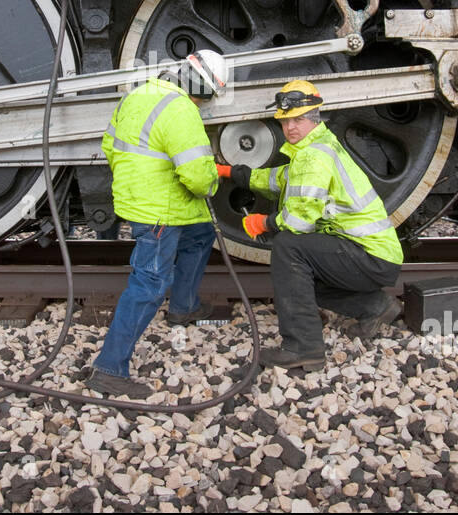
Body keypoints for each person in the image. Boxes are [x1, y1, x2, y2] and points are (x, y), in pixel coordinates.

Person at [219, 79, 403, 370]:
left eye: (298, 119)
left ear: (314, 117)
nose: (290, 127)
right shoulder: (314, 148)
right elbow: (273, 179)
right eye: (285, 121)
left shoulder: (313, 156)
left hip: (368, 255)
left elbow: (299, 221)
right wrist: (229, 171)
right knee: (300, 277)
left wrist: (263, 222)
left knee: (289, 248)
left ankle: (303, 348)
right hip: (371, 256)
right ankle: (376, 308)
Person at [87, 49, 229, 399]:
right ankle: (108, 368)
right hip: (160, 210)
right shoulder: (182, 110)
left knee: (200, 236)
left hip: (140, 199)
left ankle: (183, 307)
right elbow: (198, 178)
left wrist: (139, 177)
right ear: (207, 89)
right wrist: (215, 182)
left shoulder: (139, 93)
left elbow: (110, 143)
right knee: (150, 282)